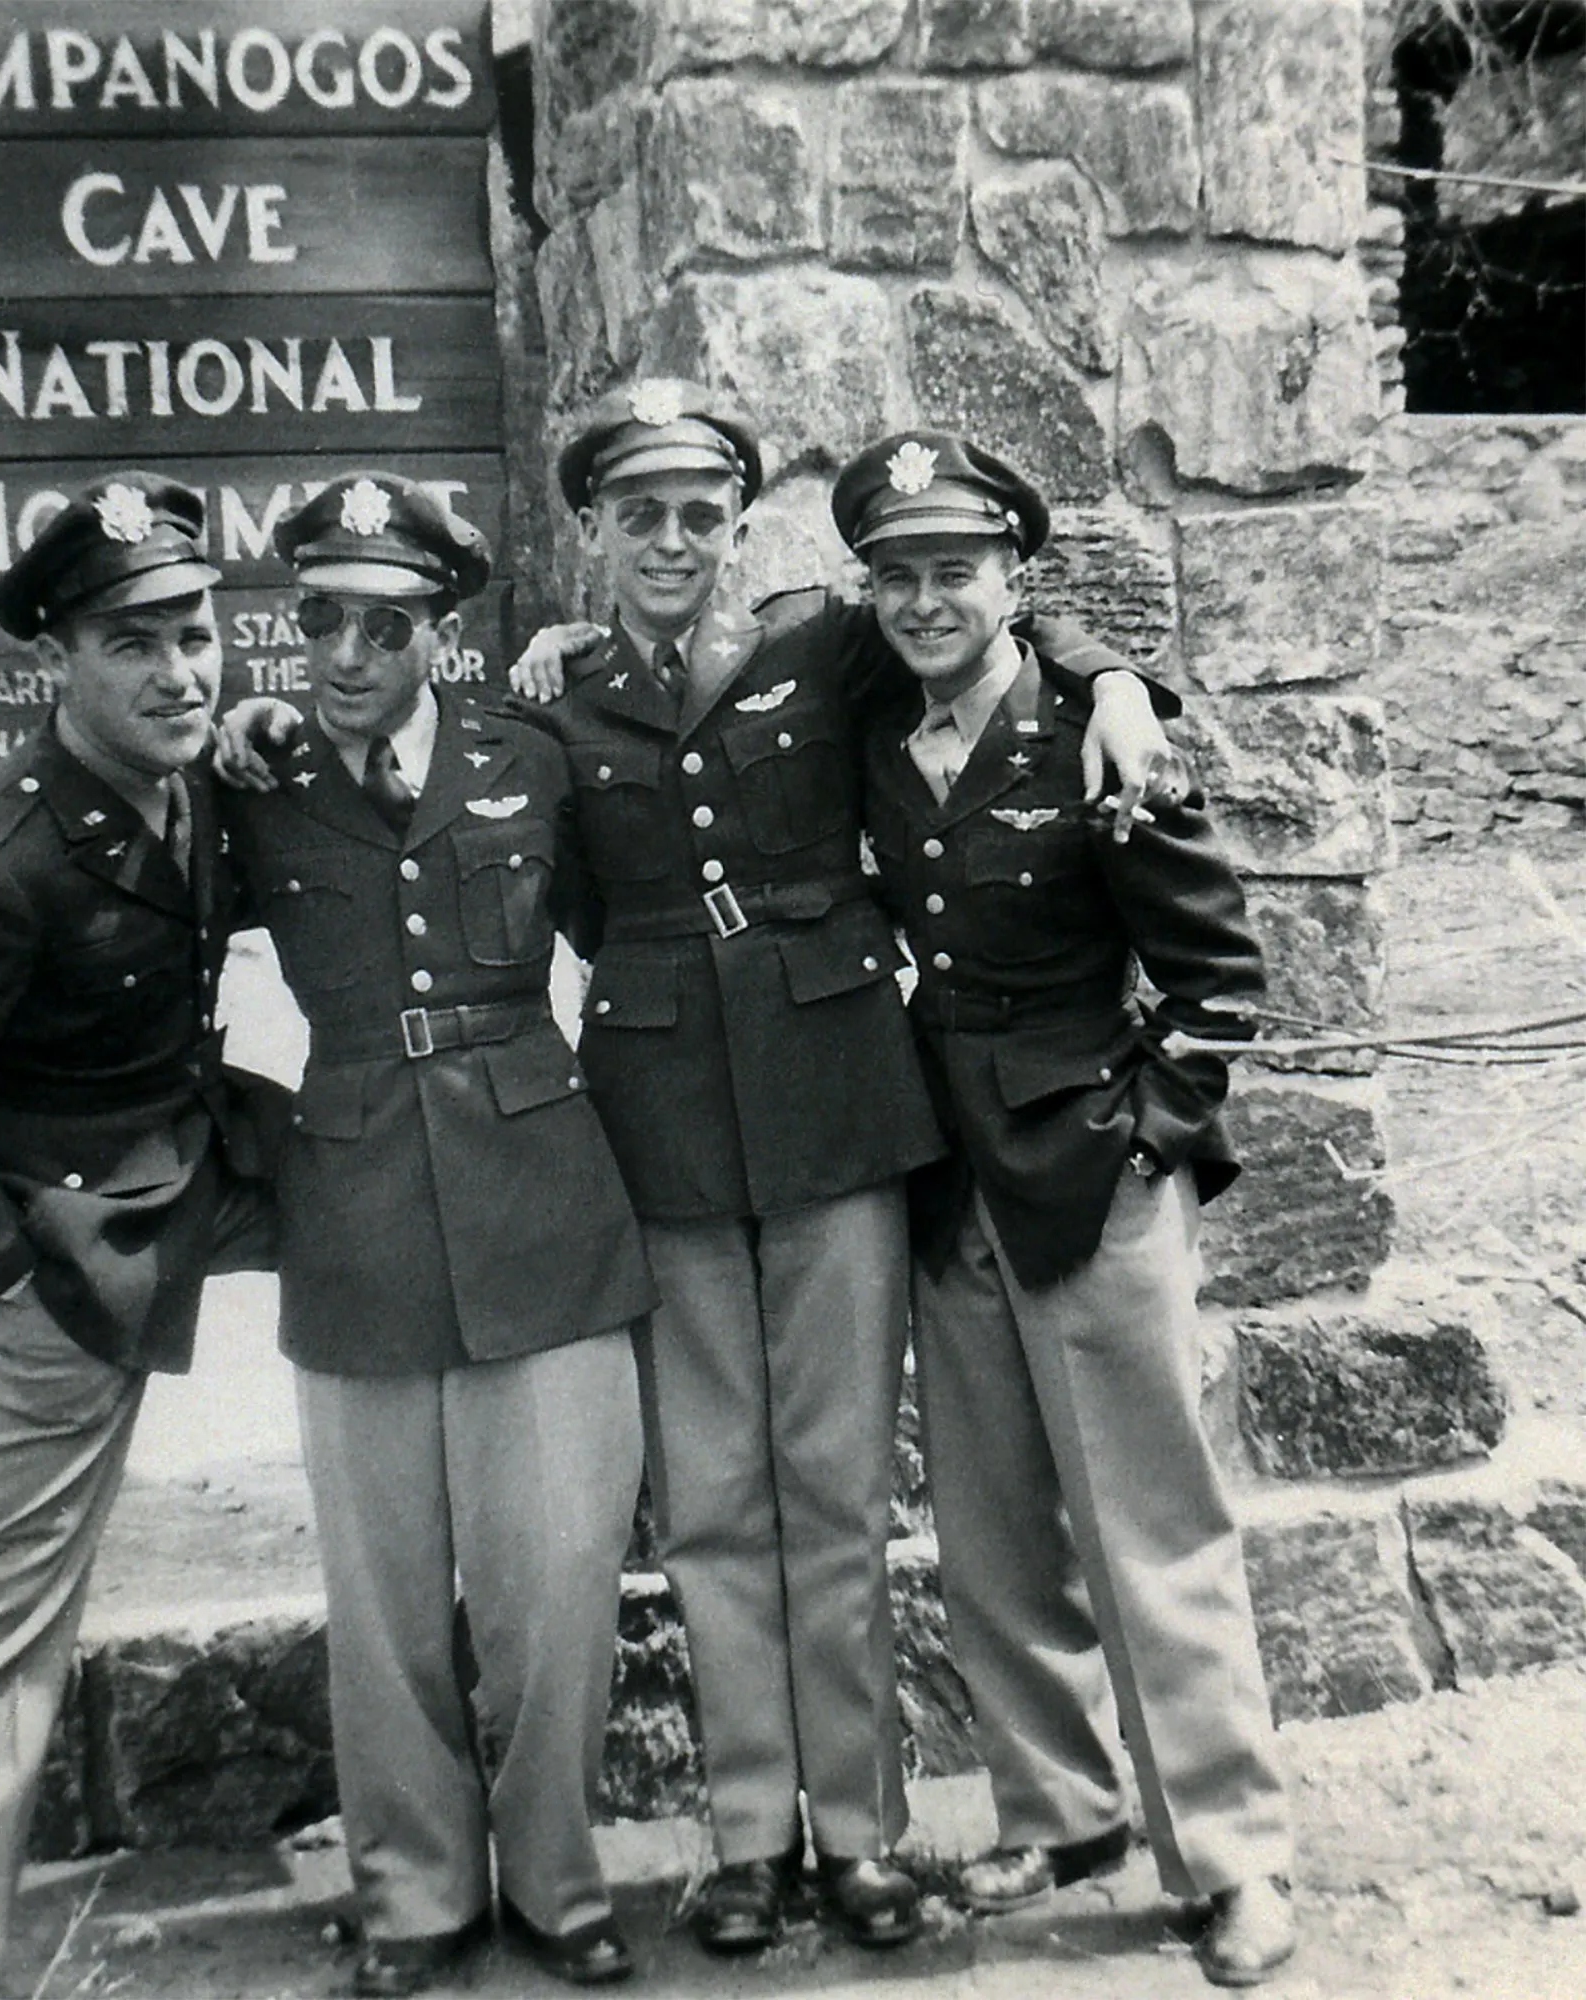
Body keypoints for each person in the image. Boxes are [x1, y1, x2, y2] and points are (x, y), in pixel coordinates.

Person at [494, 378, 1183, 1957]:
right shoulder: (557, 693)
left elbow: (995, 625)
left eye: (698, 513)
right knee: (717, 1500)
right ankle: (749, 1839)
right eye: (638, 516)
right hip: (659, 1121)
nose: (672, 542)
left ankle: (860, 1831)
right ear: (590, 531)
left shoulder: (826, 643)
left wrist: (1120, 680)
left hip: (838, 1109)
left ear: (738, 524)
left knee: (840, 1488)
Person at [835, 429, 1297, 1989]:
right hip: (948, 1180)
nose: (921, 602)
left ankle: (1230, 1857)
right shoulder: (875, 730)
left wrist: (1152, 1138)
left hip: (1090, 1180)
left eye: (954, 571)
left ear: (1014, 583)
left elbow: (1222, 979)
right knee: (988, 1533)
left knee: (1150, 1531)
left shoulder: (1100, 740)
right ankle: (1063, 1809)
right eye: (894, 576)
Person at [0, 473, 288, 2000]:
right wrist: (2, 1274)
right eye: (130, 644)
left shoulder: (192, 779)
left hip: (197, 1159)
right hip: (64, 1242)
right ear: (60, 663)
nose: (178, 671)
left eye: (194, 634)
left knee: (430, 1190)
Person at [218, 472, 656, 1996]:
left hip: (541, 1200)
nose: (344, 653)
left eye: (381, 624)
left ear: (437, 632)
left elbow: (636, 924)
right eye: (319, 621)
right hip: (352, 1218)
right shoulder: (251, 787)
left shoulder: (528, 762)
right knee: (386, 1589)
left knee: (554, 1578)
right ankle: (412, 1892)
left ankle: (555, 1875)